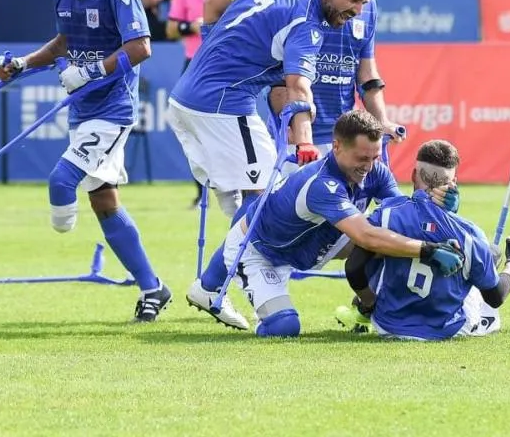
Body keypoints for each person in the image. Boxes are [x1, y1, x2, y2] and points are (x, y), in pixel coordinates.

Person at [169, 0, 375, 326]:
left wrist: (212, 49)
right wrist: (306, 142)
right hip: (220, 104)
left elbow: (212, 5)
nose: (358, 11)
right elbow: (298, 86)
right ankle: (213, 284)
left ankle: (236, 279)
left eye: (363, 3)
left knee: (251, 206)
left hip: (194, 97)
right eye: (354, 0)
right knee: (266, 202)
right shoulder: (308, 26)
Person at [0, 0, 170, 322]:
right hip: (83, 111)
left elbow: (142, 47)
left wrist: (92, 72)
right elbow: (64, 43)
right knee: (104, 201)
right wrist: (22, 63)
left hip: (113, 110)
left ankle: (148, 283)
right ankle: (153, 288)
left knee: (62, 181)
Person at [187, 110, 467, 337]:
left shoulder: (376, 171)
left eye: (374, 157)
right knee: (285, 328)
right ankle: (260, 301)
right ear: (336, 147)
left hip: (319, 243)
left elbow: (402, 216)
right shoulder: (322, 185)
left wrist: (436, 206)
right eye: (361, 158)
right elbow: (367, 236)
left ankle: (370, 307)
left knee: (392, 233)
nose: (368, 166)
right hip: (262, 253)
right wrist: (427, 250)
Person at [336, 139, 510, 340]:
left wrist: (369, 302)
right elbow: (496, 296)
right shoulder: (470, 232)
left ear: (413, 175)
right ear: (453, 183)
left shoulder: (384, 215)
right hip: (447, 329)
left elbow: (354, 267)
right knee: (484, 261)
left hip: (388, 325)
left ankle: (361, 310)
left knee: (376, 251)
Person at [263, 0, 405, 170]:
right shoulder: (300, 2)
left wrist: (382, 122)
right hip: (296, 141)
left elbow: (367, 75)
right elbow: (279, 79)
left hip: (343, 141)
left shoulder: (367, 8)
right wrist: (294, 131)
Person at [166, 0, 237, 207]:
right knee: (194, 130)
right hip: (194, 63)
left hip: (227, 64)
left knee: (228, 127)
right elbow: (171, 28)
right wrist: (191, 26)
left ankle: (233, 187)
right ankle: (202, 192)